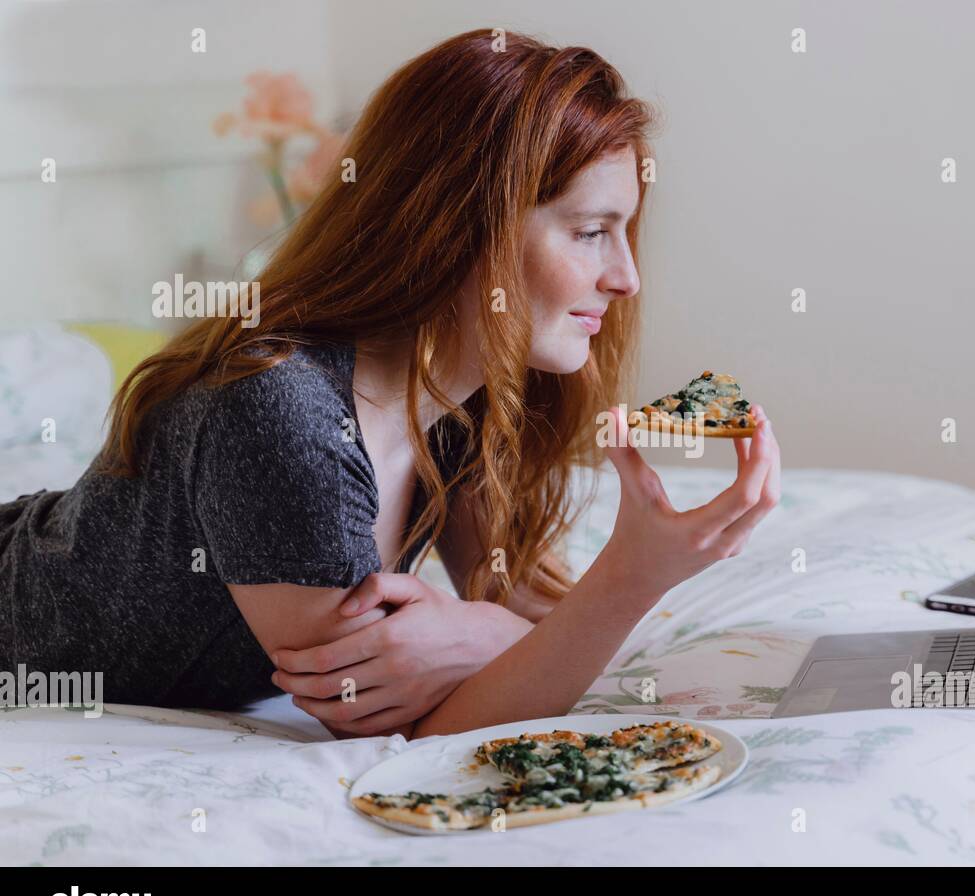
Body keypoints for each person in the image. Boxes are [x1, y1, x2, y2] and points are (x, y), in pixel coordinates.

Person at [0, 28, 780, 740]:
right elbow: (392, 723)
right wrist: (622, 579)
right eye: (589, 232)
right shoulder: (280, 416)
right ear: (457, 224)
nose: (627, 278)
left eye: (623, 231)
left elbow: (527, 618)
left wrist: (532, 616)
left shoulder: (460, 399)